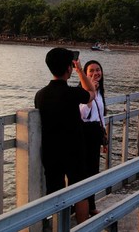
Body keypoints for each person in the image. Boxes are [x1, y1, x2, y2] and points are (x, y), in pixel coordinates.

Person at [34, 48, 95, 223]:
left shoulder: (40, 95)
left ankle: (57, 226)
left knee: (55, 191)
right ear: (69, 68)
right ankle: (82, 226)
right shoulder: (72, 93)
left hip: (50, 150)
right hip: (74, 149)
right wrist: (81, 71)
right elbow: (92, 93)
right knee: (79, 190)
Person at [78, 60, 107, 217]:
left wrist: (104, 137)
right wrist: (90, 94)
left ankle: (90, 205)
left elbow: (101, 115)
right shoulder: (81, 91)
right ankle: (82, 208)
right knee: (84, 173)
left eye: (98, 70)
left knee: (94, 171)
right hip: (85, 133)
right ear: (85, 74)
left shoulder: (100, 91)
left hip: (96, 133)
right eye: (91, 71)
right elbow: (83, 114)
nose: (96, 73)